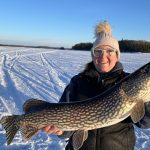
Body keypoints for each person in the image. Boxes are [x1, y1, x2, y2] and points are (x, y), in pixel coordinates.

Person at [42, 21, 150, 150]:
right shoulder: (78, 82)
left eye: (110, 51)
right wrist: (61, 131)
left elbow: (144, 123)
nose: (103, 57)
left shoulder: (127, 82)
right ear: (93, 55)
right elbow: (66, 124)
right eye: (98, 51)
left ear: (117, 55)